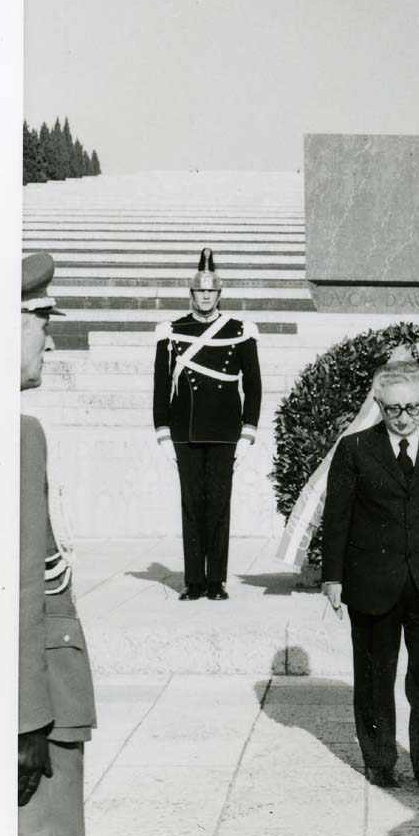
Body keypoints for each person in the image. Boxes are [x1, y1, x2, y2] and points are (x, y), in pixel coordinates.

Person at [321, 358, 419, 794]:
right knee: (374, 677)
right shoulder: (354, 449)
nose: (403, 418)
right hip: (372, 583)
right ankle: (380, 761)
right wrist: (333, 577)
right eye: (392, 410)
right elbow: (338, 518)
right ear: (377, 403)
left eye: (412, 408)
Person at [18, 252, 98, 836]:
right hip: (33, 714)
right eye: (41, 318)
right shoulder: (17, 435)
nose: (48, 336)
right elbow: (17, 589)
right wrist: (23, 725)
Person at [153, 248, 262, 600]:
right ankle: (194, 582)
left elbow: (254, 385)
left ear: (219, 294)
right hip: (185, 432)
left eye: (211, 291)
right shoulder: (171, 330)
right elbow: (160, 385)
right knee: (191, 506)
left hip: (225, 431)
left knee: (218, 504)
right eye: (200, 291)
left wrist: (248, 432)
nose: (205, 297)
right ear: (191, 293)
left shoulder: (241, 330)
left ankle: (216, 581)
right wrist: (163, 433)